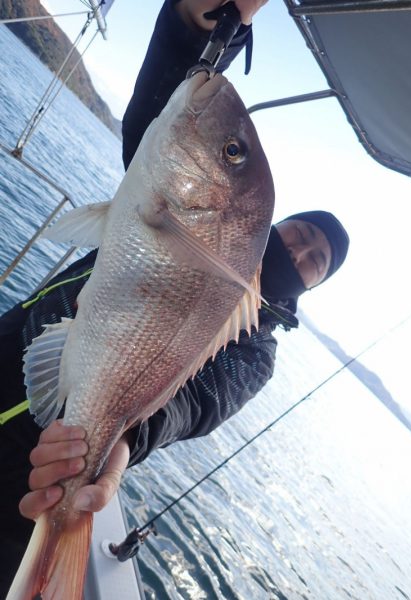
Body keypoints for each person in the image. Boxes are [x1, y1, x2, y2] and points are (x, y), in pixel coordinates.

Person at [0, 0, 349, 594]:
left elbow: (194, 405)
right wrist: (199, 20)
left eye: (316, 261)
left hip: (46, 458)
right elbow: (168, 109)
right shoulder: (170, 196)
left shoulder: (256, 353)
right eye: (303, 233)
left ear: (314, 286)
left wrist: (122, 439)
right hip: (11, 351)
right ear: (273, 223)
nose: (302, 252)